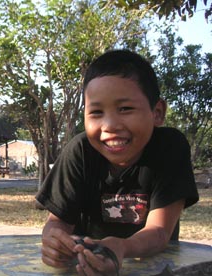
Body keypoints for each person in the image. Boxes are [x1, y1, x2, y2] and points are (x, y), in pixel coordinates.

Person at [35, 49, 199, 275]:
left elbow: (160, 231)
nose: (109, 125)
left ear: (157, 112)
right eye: (96, 112)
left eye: (125, 109)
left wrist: (120, 248)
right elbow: (57, 223)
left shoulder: (170, 148)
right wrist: (54, 241)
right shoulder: (79, 151)